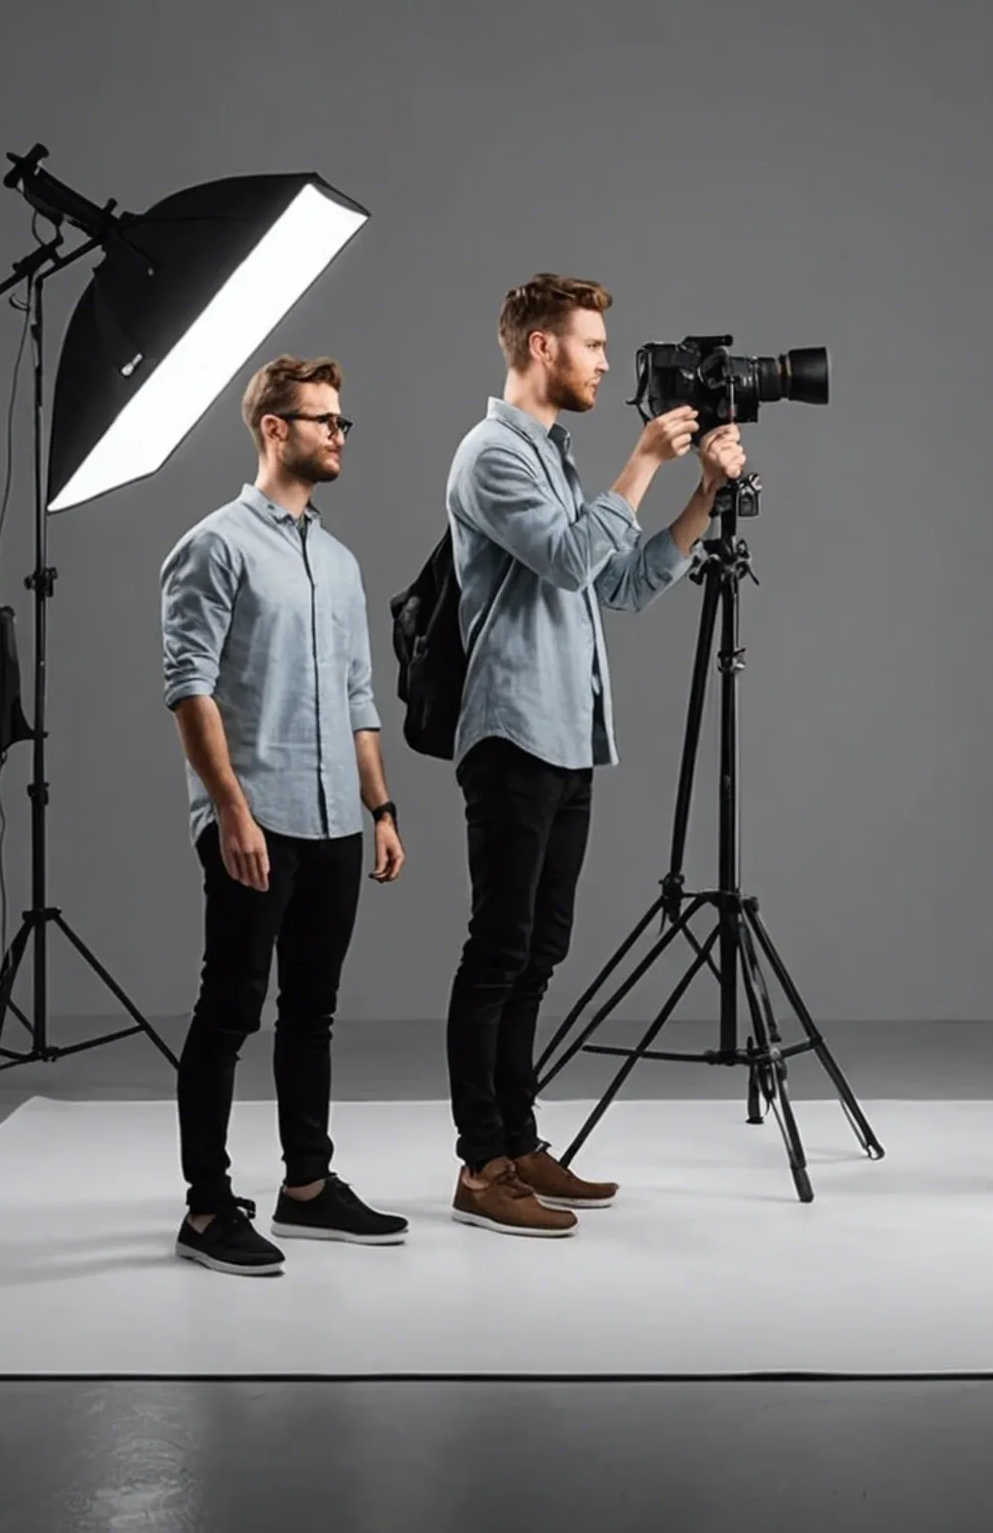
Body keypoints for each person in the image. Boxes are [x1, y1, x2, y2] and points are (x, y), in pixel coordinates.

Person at [441, 274, 745, 1236]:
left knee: (539, 949)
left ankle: (520, 1142)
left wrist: (697, 497)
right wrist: (645, 460)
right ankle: (479, 1164)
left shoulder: (560, 460)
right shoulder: (492, 455)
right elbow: (569, 559)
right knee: (498, 950)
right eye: (593, 346)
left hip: (566, 735)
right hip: (510, 732)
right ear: (541, 347)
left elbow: (622, 583)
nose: (610, 364)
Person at [159, 356, 411, 1275]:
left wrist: (379, 807)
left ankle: (307, 1186)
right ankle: (206, 1207)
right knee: (229, 1009)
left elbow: (358, 696)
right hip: (253, 815)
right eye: (324, 421)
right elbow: (189, 688)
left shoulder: (339, 563)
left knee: (314, 1009)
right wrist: (230, 810)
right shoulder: (214, 546)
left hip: (336, 817)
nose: (339, 435)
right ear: (276, 428)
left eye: (343, 421)